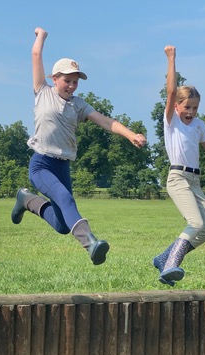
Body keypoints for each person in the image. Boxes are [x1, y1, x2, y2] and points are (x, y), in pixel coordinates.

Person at [11, 27, 147, 265]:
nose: (72, 86)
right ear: (54, 79)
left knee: (63, 225)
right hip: (42, 164)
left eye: (75, 82)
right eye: (67, 81)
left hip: (63, 167)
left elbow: (105, 121)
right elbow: (35, 56)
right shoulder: (42, 92)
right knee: (66, 199)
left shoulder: (79, 105)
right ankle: (90, 242)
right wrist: (41, 37)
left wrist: (129, 134)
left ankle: (26, 200)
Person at [153, 45, 205, 286]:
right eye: (186, 107)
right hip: (177, 178)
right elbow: (170, 91)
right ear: (176, 106)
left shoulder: (198, 125)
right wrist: (171, 59)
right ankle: (170, 266)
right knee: (195, 223)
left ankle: (164, 257)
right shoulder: (171, 122)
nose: (190, 112)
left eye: (195, 108)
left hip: (194, 181)